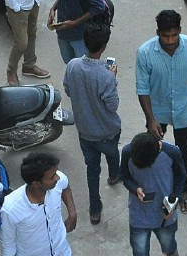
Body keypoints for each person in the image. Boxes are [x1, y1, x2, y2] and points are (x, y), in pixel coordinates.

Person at [135, 9, 187, 215]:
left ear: (180, 31)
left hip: (184, 108)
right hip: (157, 110)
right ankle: (148, 186)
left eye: (174, 35)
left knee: (185, 150)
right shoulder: (145, 53)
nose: (169, 40)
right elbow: (142, 89)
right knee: (152, 148)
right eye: (165, 36)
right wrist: (150, 119)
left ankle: (183, 189)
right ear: (158, 32)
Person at [63, 25, 121, 225]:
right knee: (113, 155)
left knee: (92, 169)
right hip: (107, 131)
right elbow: (112, 106)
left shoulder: (72, 65)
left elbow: (68, 89)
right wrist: (113, 78)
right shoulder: (106, 74)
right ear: (104, 47)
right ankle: (114, 176)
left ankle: (95, 209)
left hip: (85, 132)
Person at [120, 132, 187, 256]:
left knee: (169, 247)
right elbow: (124, 175)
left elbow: (180, 175)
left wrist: (174, 200)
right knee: (140, 251)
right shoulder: (128, 152)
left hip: (165, 217)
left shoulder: (172, 153)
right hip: (138, 216)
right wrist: (135, 189)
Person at [0, 152, 76, 256]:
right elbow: (8, 246)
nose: (57, 177)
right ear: (36, 183)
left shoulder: (57, 182)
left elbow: (65, 185)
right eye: (52, 176)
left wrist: (72, 213)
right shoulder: (11, 208)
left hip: (63, 251)